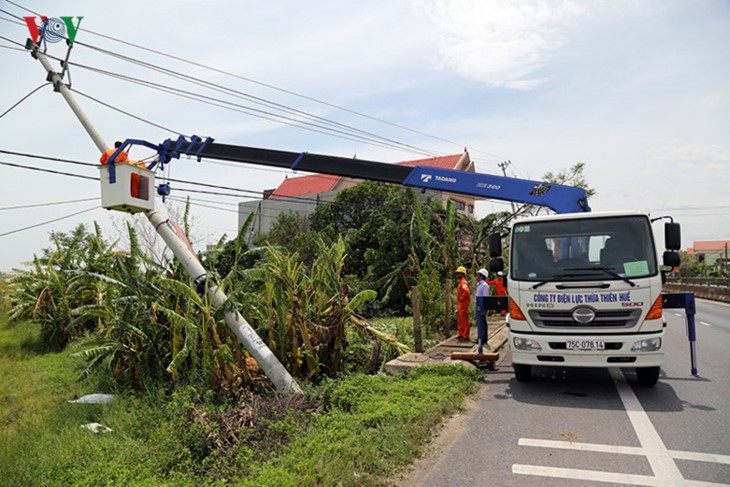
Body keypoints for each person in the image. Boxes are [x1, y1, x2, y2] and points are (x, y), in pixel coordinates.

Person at [475, 268, 490, 351]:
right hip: (479, 306)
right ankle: (480, 338)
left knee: (482, 322)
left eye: (477, 275)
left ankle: (483, 339)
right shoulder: (480, 285)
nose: (476, 276)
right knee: (480, 322)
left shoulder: (484, 285)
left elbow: (485, 296)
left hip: (482, 306)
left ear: (481, 276)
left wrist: (485, 307)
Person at [455, 266, 471, 341]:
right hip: (460, 304)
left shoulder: (463, 282)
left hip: (464, 304)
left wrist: (461, 298)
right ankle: (461, 334)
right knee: (460, 319)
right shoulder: (460, 282)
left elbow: (466, 291)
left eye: (458, 273)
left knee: (464, 320)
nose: (457, 275)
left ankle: (466, 335)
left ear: (462, 274)